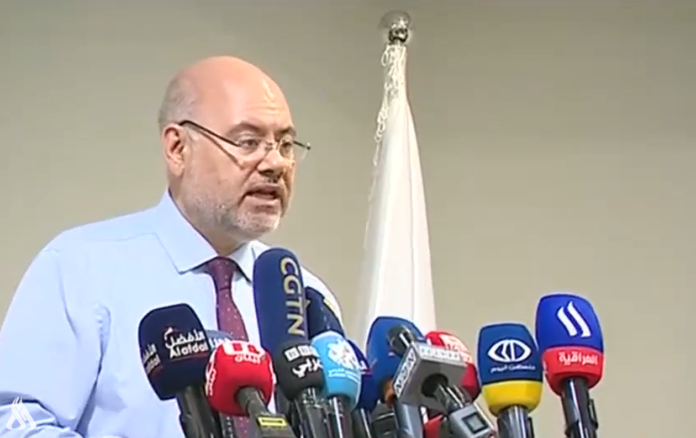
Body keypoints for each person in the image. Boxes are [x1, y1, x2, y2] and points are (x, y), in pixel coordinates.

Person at [0, 56, 341, 438]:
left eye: (286, 144)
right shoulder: (79, 268)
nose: (276, 163)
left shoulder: (305, 296)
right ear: (178, 148)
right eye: (248, 142)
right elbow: (14, 422)